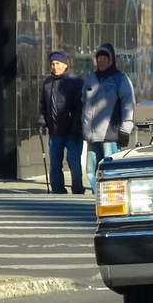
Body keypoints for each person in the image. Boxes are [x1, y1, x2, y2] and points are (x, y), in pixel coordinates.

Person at [82, 43, 135, 194]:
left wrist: (125, 130)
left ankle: (112, 196)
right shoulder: (90, 79)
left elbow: (128, 105)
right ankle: (96, 196)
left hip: (110, 135)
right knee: (91, 171)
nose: (102, 61)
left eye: (105, 58)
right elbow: (83, 105)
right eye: (99, 58)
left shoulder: (121, 79)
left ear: (111, 60)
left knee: (110, 171)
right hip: (91, 136)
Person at [39, 49, 85, 194]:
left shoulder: (76, 82)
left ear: (65, 64)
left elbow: (80, 107)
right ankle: (58, 191)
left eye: (58, 63)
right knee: (55, 164)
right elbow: (43, 105)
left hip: (73, 131)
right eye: (52, 64)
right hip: (55, 131)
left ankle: (78, 190)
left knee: (73, 162)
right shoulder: (47, 83)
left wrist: (77, 128)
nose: (55, 66)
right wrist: (41, 121)